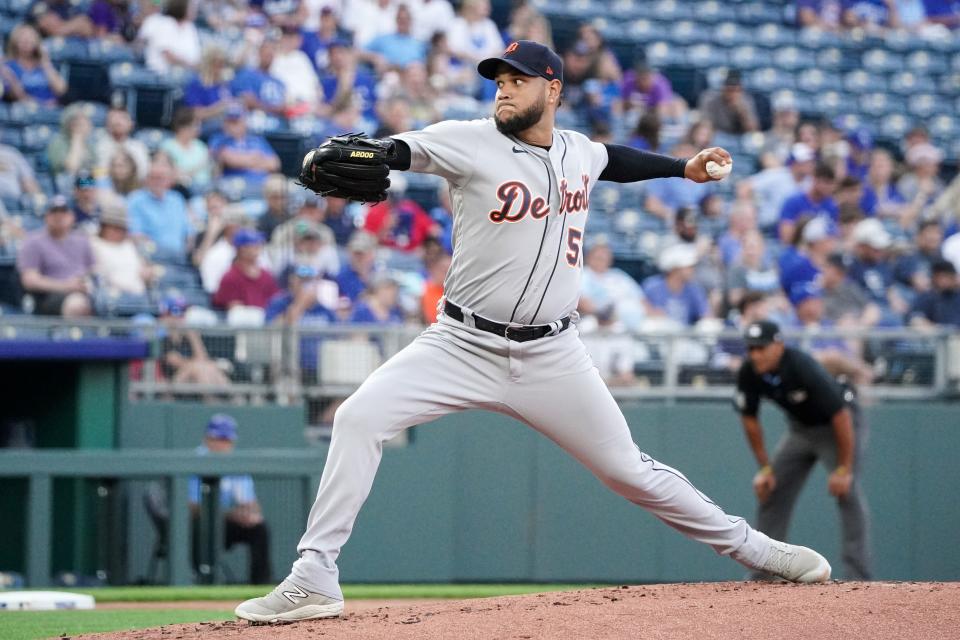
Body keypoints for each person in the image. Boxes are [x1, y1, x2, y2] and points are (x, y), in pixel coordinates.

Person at [236, 40, 831, 623]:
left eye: (517, 80)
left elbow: (613, 159)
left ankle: (759, 550)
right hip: (460, 343)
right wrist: (380, 156)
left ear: (552, 89)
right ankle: (314, 576)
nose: (503, 90)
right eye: (498, 81)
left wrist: (682, 168)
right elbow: (400, 151)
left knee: (629, 469)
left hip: (553, 353)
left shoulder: (578, 151)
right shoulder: (467, 139)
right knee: (356, 418)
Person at [734, 319, 872, 580]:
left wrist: (844, 468)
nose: (755, 354)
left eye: (761, 348)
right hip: (801, 430)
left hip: (839, 426)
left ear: (778, 346)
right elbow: (750, 420)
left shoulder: (800, 365)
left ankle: (859, 577)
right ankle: (763, 574)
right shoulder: (749, 372)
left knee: (848, 492)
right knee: (770, 489)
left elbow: (841, 415)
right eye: (751, 349)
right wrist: (765, 468)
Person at [189, 414, 272, 585]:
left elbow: (250, 503)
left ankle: (260, 587)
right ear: (207, 438)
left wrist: (249, 515)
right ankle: (201, 583)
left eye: (226, 440)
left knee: (259, 528)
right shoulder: (195, 460)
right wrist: (229, 514)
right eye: (218, 439)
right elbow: (192, 507)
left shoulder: (234, 463)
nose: (222, 444)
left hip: (224, 525)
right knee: (199, 526)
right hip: (197, 527)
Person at [16, 195, 94, 317]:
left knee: (108, 302)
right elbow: (29, 280)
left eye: (64, 211)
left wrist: (86, 282)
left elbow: (93, 269)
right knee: (77, 305)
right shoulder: (33, 241)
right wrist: (66, 286)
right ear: (46, 216)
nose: (59, 216)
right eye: (54, 212)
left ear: (72, 216)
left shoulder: (82, 240)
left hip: (83, 291)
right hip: (49, 296)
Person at [213, 228, 280, 310]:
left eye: (258, 245)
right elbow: (233, 308)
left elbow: (275, 300)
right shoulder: (231, 276)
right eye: (253, 245)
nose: (258, 249)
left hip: (268, 320)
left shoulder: (266, 275)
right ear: (242, 249)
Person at [2, 24, 67, 105]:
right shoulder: (8, 65)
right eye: (22, 39)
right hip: (24, 108)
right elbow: (17, 96)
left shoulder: (44, 63)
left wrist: (45, 63)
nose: (26, 42)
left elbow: (60, 90)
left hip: (51, 109)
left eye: (30, 38)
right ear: (15, 41)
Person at [697, 70, 759, 134]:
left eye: (736, 90)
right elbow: (705, 124)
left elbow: (753, 131)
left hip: (740, 137)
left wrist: (742, 112)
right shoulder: (710, 98)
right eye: (729, 90)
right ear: (723, 88)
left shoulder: (746, 100)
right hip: (715, 135)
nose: (732, 94)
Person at [907, 259, 960, 327]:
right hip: (935, 335)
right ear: (934, 277)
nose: (944, 280)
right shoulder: (927, 297)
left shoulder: (957, 296)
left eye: (947, 276)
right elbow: (915, 317)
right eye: (940, 277)